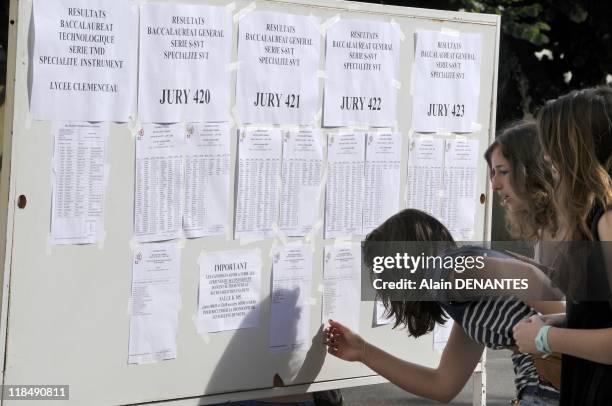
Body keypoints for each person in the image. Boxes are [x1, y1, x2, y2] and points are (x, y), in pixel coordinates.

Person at [324, 208, 562, 405]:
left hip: (550, 377)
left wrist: (570, 326)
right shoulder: (465, 306)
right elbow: (443, 385)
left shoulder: (447, 273)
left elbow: (527, 277)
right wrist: (363, 352)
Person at [513, 86, 612, 405]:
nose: (545, 156)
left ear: (577, 149)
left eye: (552, 145)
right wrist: (558, 321)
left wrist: (545, 338)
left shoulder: (608, 219)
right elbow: (600, 316)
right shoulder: (595, 215)